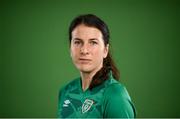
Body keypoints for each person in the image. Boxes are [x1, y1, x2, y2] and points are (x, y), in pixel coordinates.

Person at [58, 14, 136, 118]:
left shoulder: (115, 95)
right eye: (77, 42)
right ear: (70, 48)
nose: (84, 50)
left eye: (93, 42)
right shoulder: (65, 91)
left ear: (105, 50)